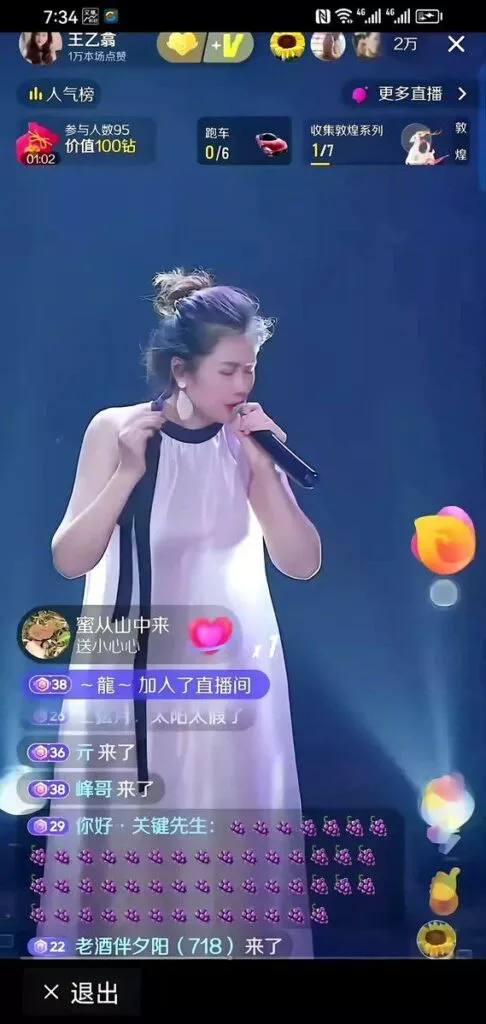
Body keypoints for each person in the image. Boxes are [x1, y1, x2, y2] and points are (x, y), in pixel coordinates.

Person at [38, 270, 321, 956]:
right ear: (181, 370)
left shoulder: (246, 444)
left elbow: (302, 562)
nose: (243, 385)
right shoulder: (117, 430)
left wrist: (264, 467)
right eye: (229, 370)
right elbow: (70, 558)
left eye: (250, 369)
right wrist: (126, 473)